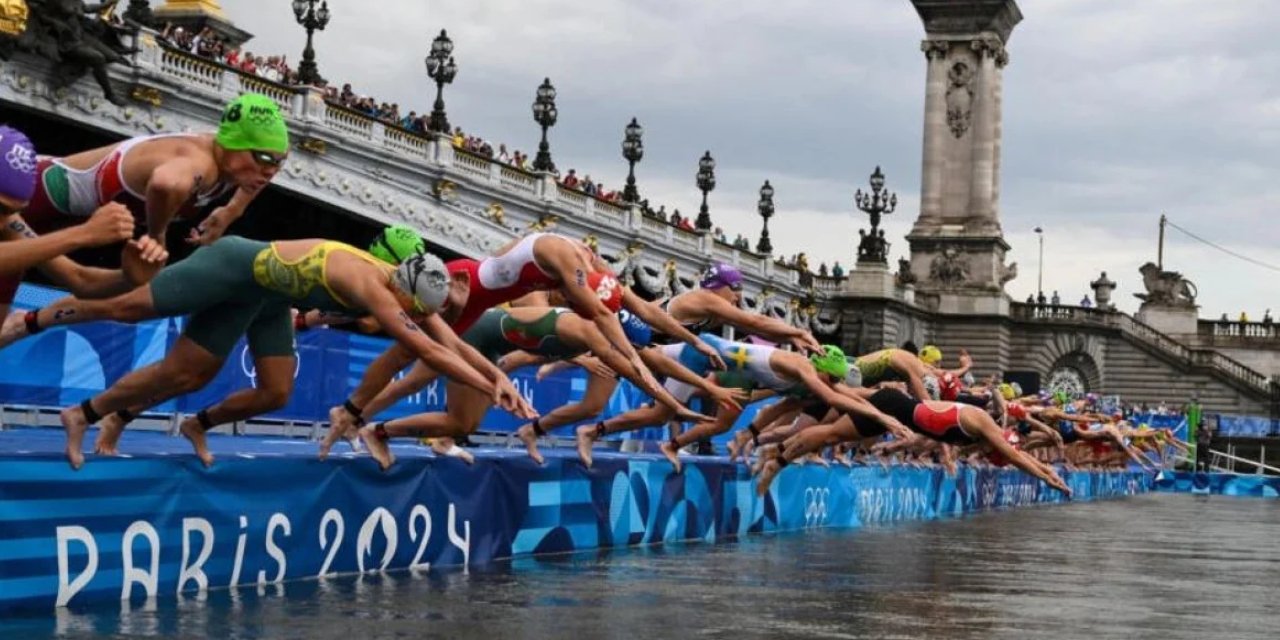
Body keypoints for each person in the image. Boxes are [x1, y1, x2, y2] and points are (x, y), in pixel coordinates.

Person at [0, 235, 534, 469]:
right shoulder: (372, 285)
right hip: (233, 267)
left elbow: (448, 340)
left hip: (266, 297)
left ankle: (93, 414)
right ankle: (32, 318)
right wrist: (490, 385)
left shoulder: (405, 286)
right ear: (406, 292)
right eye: (417, 310)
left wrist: (498, 379)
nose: (419, 317)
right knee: (128, 310)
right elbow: (425, 346)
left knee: (268, 390)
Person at [323, 232, 728, 449]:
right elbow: (615, 333)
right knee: (401, 351)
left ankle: (359, 418)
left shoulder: (595, 270)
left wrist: (696, 343)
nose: (576, 303)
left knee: (418, 369)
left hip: (478, 306)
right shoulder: (568, 268)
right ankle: (350, 412)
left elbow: (645, 311)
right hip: (462, 290)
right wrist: (673, 402)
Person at [0, 94, 289, 319]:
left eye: (280, 161)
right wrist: (156, 234)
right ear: (232, 146)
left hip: (33, 215)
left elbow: (81, 281)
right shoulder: (198, 163)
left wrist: (131, 278)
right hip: (36, 198)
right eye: (265, 160)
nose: (271, 171)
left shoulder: (239, 166)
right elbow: (166, 183)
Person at [357, 307, 730, 470]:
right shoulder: (587, 334)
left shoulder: (598, 333)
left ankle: (368, 424)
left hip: (492, 348)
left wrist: (704, 389)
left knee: (456, 416)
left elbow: (648, 361)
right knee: (433, 398)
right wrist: (676, 406)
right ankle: (372, 429)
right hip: (474, 340)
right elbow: (637, 372)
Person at [757, 386, 1072, 497]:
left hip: (898, 406)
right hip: (894, 406)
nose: (992, 453)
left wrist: (1048, 472)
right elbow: (1017, 458)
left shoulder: (987, 432)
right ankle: (776, 456)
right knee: (832, 431)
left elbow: (1020, 456)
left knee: (834, 428)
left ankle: (776, 455)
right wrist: (1049, 478)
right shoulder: (985, 425)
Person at [657, 342, 912, 472]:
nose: (835, 383)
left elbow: (854, 395)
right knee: (717, 420)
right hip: (736, 369)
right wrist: (884, 416)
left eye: (837, 380)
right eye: (833, 378)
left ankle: (739, 436)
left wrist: (883, 408)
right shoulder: (808, 373)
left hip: (751, 375)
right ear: (824, 371)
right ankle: (671, 438)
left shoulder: (817, 380)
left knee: (787, 405)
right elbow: (838, 398)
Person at [0, 125, 167, 283]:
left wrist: (130, 278)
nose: (2, 223)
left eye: (10, 211)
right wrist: (84, 234)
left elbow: (80, 279)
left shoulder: (9, 221)